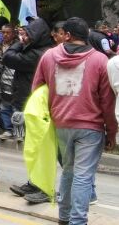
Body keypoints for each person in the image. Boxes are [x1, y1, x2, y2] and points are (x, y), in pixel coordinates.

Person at [32, 17, 117, 225]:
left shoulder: (48, 56)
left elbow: (37, 91)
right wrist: (111, 131)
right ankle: (77, 220)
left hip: (60, 124)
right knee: (83, 176)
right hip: (90, 127)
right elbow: (107, 102)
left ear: (67, 35)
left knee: (69, 171)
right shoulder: (99, 60)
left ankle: (65, 217)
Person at [5, 18, 54, 202]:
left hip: (38, 107)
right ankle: (35, 182)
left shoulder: (41, 53)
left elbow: (8, 57)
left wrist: (19, 41)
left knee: (42, 150)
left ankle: (43, 187)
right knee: (32, 149)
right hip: (30, 105)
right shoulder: (35, 50)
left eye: (29, 34)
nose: (25, 37)